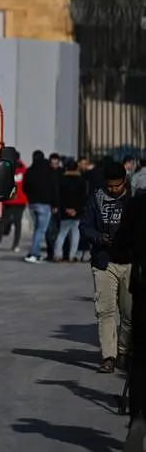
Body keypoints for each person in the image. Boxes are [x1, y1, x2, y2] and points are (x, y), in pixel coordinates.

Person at [80, 160, 132, 374]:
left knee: (129, 314)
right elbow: (84, 226)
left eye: (117, 185)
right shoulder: (95, 199)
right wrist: (99, 237)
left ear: (125, 182)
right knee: (105, 311)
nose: (113, 190)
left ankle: (123, 351)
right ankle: (108, 357)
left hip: (130, 262)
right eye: (109, 186)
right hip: (104, 262)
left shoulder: (135, 199)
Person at [114, 190, 146, 450]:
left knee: (141, 360)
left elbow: (120, 247)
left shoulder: (137, 204)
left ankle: (138, 417)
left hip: (144, 291)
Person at [22, 150, 59, 263]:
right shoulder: (48, 171)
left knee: (37, 228)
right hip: (45, 204)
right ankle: (34, 253)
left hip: (32, 204)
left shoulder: (29, 171)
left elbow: (25, 187)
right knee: (40, 230)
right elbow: (54, 188)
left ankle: (35, 252)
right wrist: (55, 204)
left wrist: (30, 197)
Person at [55, 159, 88, 262]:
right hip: (77, 212)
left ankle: (57, 255)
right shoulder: (81, 180)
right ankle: (72, 255)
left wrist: (66, 208)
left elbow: (59, 196)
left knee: (62, 233)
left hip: (65, 211)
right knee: (75, 234)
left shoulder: (61, 180)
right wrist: (76, 210)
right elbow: (83, 197)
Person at [0, 149, 26, 253]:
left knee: (16, 224)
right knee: (4, 224)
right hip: (9, 201)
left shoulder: (22, 169)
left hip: (19, 201)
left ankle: (15, 244)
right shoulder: (8, 167)